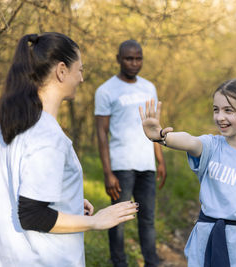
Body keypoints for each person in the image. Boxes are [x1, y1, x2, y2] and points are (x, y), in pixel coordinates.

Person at [0, 32, 138, 267]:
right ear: (61, 71)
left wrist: (65, 200)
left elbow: (14, 189)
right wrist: (96, 221)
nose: (81, 78)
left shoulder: (3, 130)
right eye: (79, 70)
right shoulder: (48, 136)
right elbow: (32, 214)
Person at [139, 78, 236, 267]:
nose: (220, 117)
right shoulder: (211, 146)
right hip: (205, 242)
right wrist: (162, 137)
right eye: (216, 109)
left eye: (228, 110)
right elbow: (190, 141)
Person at [95, 40, 166, 267]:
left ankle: (152, 262)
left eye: (138, 58)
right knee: (118, 221)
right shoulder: (106, 90)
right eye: (128, 58)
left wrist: (160, 159)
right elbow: (102, 133)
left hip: (147, 165)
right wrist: (108, 172)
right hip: (121, 166)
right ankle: (119, 263)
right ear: (118, 59)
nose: (134, 63)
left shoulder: (149, 87)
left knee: (148, 220)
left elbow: (154, 127)